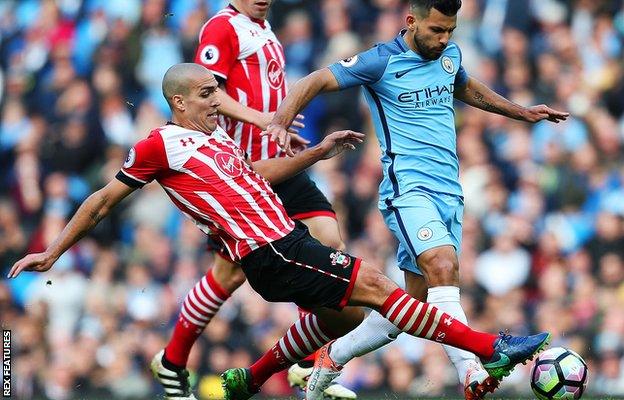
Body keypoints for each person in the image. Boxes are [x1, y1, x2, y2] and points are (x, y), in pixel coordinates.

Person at [9, 64, 551, 400]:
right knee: (383, 288)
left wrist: (317, 151)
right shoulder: (159, 145)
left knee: (345, 316)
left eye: (217, 90)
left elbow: (256, 177)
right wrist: (52, 251)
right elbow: (104, 200)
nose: (217, 99)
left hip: (284, 242)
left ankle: (251, 377)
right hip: (268, 248)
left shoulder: (217, 141)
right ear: (179, 101)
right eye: (206, 93)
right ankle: (491, 347)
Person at [262, 1, 569, 399]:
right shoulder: (380, 61)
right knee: (444, 265)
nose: (444, 40)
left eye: (450, 31)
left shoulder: (450, 54)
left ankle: (330, 359)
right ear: (412, 21)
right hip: (407, 189)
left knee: (409, 306)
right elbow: (316, 80)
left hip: (449, 192)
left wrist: (521, 113)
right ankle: (473, 372)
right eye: (436, 30)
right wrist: (280, 121)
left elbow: (463, 85)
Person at [159, 1, 359, 398]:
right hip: (242, 169)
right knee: (228, 274)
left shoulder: (265, 30)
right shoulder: (222, 27)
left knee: (327, 240)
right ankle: (172, 361)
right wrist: (266, 121)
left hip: (277, 160)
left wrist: (281, 129)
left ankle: (307, 364)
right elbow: (209, 94)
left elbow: (267, 92)